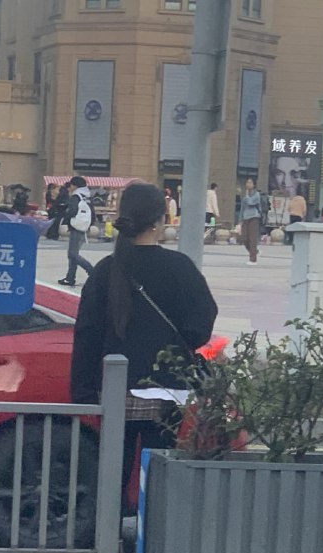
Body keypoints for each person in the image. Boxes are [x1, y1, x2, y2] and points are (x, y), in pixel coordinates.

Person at [70, 182, 218, 490]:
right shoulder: (179, 267)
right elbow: (202, 319)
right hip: (166, 389)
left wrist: (83, 391)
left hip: (114, 390)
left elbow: (87, 333)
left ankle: (112, 521)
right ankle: (150, 521)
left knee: (113, 472)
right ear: (159, 220)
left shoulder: (107, 269)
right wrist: (176, 346)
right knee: (158, 474)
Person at [58, 176, 94, 286]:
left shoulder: (76, 196)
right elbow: (92, 212)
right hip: (84, 226)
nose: (71, 186)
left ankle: (92, 271)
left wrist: (66, 218)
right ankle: (70, 277)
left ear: (75, 185)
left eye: (72, 184)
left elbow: (72, 211)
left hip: (76, 226)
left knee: (72, 254)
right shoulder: (87, 196)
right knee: (73, 254)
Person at [240, 177, 261, 265]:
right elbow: (242, 208)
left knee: (252, 239)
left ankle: (253, 259)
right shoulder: (245, 195)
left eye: (250, 183)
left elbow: (251, 202)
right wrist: (240, 219)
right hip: (245, 218)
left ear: (254, 185)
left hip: (254, 217)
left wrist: (247, 196)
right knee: (244, 238)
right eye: (247, 182)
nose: (248, 184)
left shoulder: (256, 194)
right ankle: (255, 251)